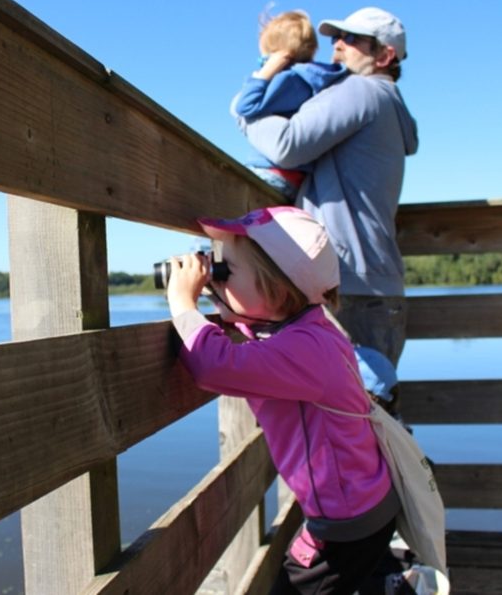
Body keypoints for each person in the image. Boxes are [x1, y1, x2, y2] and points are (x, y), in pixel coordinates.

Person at [166, 206, 400, 594]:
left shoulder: (304, 350)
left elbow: (212, 367)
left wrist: (182, 304)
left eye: (226, 271)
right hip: (361, 506)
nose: (215, 277)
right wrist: (229, 303)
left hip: (345, 525)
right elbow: (263, 336)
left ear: (276, 289)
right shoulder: (313, 329)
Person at [234, 7, 418, 367]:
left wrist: (245, 112)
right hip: (377, 286)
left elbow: (285, 145)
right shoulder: (390, 105)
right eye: (336, 38)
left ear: (384, 56)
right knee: (372, 401)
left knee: (345, 403)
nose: (337, 46)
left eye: (351, 39)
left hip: (347, 286)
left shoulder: (361, 91)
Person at [233, 10, 348, 200]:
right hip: (295, 179)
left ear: (281, 57)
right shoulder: (314, 82)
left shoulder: (292, 81)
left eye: (264, 59)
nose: (263, 65)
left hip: (270, 173)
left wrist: (264, 73)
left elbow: (244, 106)